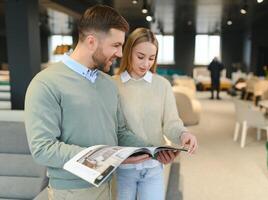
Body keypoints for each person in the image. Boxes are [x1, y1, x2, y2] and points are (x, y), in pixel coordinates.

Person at [25, 5, 154, 200]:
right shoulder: (45, 83)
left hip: (111, 184)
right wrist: (103, 157)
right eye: (116, 45)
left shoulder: (108, 84)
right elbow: (43, 149)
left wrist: (150, 150)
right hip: (72, 192)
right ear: (92, 42)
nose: (120, 53)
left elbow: (119, 132)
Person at [113, 28, 198, 200]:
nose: (146, 64)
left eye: (151, 58)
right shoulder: (112, 85)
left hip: (153, 166)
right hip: (123, 168)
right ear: (128, 52)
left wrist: (183, 134)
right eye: (140, 56)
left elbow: (171, 122)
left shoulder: (162, 85)